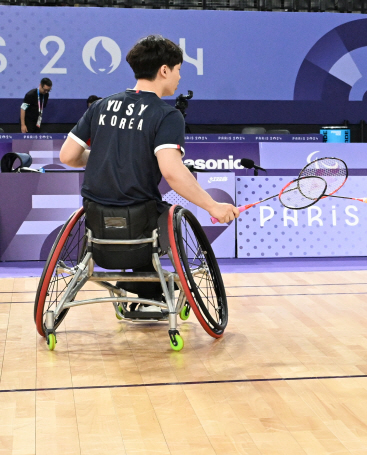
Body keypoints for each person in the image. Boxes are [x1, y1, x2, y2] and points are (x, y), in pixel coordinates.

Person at [59, 35, 238, 309]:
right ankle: (152, 291)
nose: (179, 77)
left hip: (96, 219)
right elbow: (172, 173)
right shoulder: (167, 115)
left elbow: (68, 156)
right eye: (179, 70)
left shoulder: (100, 106)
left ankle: (142, 291)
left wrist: (107, 154)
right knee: (159, 212)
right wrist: (213, 206)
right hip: (140, 224)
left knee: (144, 211)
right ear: (164, 70)